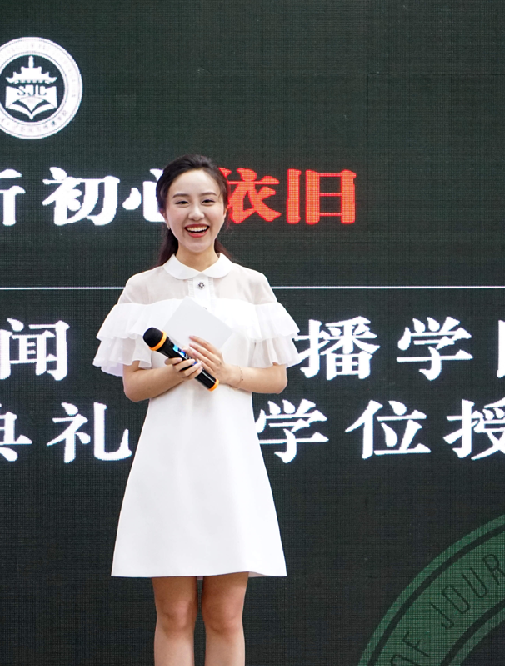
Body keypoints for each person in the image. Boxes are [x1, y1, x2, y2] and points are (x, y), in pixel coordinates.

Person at [93, 154, 300, 666]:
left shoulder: (251, 284)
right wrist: (177, 370)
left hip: (231, 465)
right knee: (175, 614)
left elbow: (276, 377)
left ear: (225, 208)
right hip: (169, 467)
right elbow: (133, 387)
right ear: (164, 212)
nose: (195, 213)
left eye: (207, 201)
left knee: (226, 616)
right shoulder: (144, 288)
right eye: (181, 202)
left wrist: (226, 372)